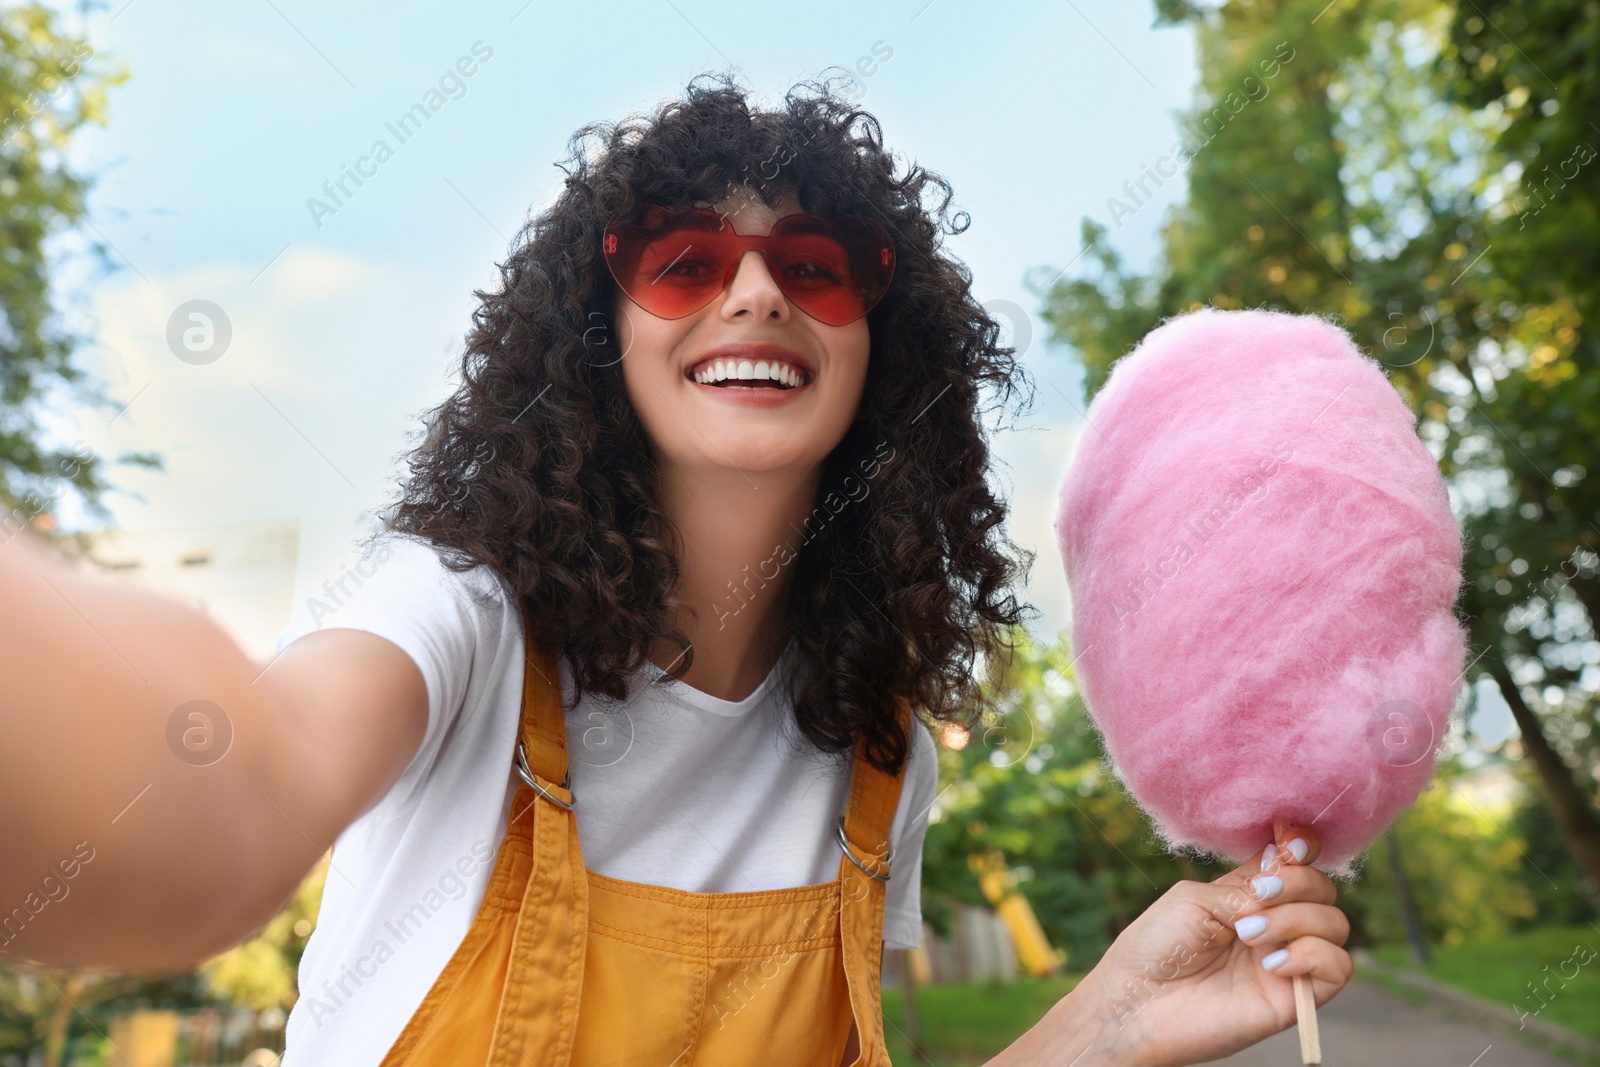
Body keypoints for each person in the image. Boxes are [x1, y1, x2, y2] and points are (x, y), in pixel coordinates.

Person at [0, 74, 1351, 1066]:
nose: (755, 293)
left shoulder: (881, 758)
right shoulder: (462, 620)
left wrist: (1115, 1018)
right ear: (603, 333)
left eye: (815, 269)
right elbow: (244, 781)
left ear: (885, 348)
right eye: (685, 261)